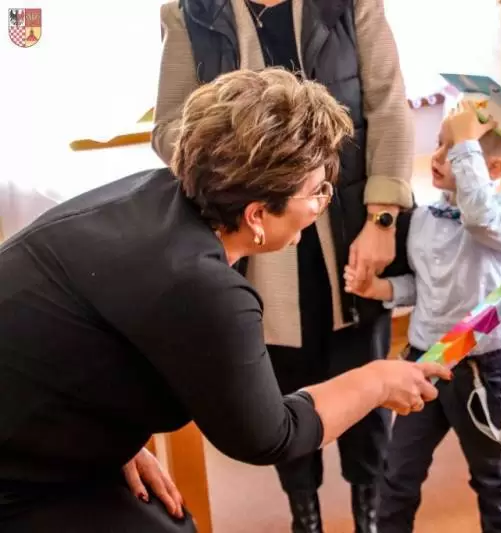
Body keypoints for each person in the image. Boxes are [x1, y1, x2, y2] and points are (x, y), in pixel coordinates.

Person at [0, 69, 450, 533]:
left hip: (43, 436)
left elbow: (65, 337)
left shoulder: (154, 193)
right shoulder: (202, 286)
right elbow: (270, 435)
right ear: (257, 215)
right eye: (317, 191)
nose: (323, 203)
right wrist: (377, 380)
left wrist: (109, 441)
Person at [152, 2, 414, 530]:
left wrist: (382, 219)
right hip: (257, 236)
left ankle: (369, 514)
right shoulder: (190, 12)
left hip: (348, 226)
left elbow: (388, 105)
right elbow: (169, 131)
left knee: (364, 372)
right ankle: (305, 515)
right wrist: (247, 155)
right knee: (282, 386)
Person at [345, 88, 501, 532]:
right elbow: (424, 286)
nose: (437, 157)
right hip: (424, 361)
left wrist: (467, 141)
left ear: (491, 169)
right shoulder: (426, 217)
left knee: (493, 479)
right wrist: (379, 288)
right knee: (398, 475)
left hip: (481, 370)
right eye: (439, 144)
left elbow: (478, 215)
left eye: (452, 150)